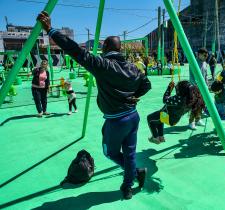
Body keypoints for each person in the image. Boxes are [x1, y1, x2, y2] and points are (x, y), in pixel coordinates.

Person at [38, 11, 151, 200]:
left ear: (105, 47)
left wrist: (51, 30)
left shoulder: (103, 65)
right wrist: (135, 96)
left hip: (116, 120)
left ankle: (135, 173)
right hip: (133, 116)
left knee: (110, 152)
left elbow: (75, 50)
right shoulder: (133, 67)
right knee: (130, 154)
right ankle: (129, 185)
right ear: (120, 48)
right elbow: (147, 84)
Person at [188, 48, 208, 129]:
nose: (206, 57)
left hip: (203, 87)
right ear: (199, 54)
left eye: (207, 55)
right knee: (195, 105)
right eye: (204, 55)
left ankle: (198, 119)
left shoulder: (205, 63)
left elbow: (206, 75)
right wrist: (195, 85)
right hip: (195, 87)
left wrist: (206, 85)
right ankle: (191, 122)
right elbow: (192, 76)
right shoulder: (194, 63)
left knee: (201, 104)